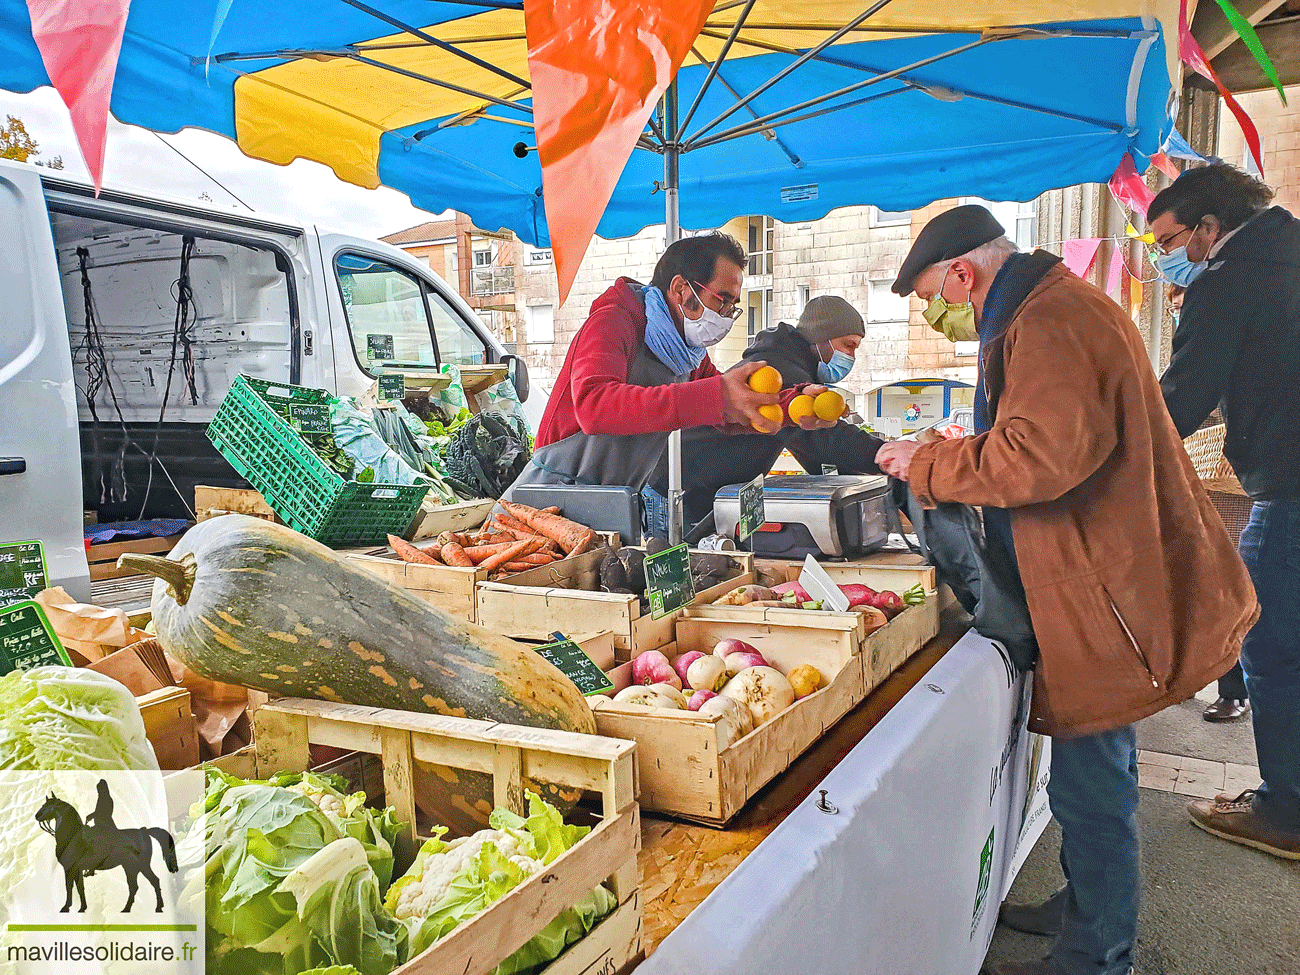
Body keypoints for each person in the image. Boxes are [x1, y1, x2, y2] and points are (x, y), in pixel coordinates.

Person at [876, 205, 1257, 975]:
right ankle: (1090, 902)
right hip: (1094, 574)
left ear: (962, 273)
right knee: (1099, 771)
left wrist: (922, 462)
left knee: (1092, 780)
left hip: (1102, 589)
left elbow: (1037, 456)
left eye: (931, 297)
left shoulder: (1049, 319)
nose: (937, 313)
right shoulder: (1048, 307)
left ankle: (1097, 952)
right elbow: (1046, 435)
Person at [1149, 163, 1300, 856]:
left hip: (1290, 487)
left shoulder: (1228, 280)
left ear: (1210, 228)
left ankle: (1284, 810)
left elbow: (1176, 403)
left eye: (1171, 240)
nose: (1168, 257)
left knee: (1268, 644)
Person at [503, 233, 839, 506]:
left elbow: (729, 409)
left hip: (614, 500)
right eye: (721, 300)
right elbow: (594, 405)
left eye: (732, 306)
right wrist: (716, 396)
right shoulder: (613, 321)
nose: (725, 314)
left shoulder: (687, 355)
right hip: (549, 494)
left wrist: (791, 406)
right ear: (681, 289)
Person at [645, 295, 884, 532]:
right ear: (823, 338)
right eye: (848, 345)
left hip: (699, 494)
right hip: (678, 493)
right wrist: (883, 455)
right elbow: (823, 438)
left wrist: (858, 486)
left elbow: (814, 450)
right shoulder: (776, 370)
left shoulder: (790, 367)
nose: (851, 357)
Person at [1167, 283, 1250, 723]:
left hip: (1237, 495)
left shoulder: (1230, 348)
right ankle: (1190, 678)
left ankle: (1234, 690)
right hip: (1201, 491)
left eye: (1182, 306)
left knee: (1231, 592)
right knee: (1195, 590)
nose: (1177, 314)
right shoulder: (1192, 354)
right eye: (1174, 309)